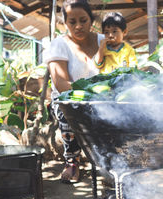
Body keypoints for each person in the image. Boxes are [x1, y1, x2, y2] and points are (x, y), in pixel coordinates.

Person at [44, 0, 104, 183]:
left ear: (91, 19)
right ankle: (72, 161)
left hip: (101, 98)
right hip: (68, 98)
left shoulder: (103, 40)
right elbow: (61, 84)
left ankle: (108, 161)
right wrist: (92, 94)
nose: (78, 26)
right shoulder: (59, 45)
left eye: (83, 20)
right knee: (68, 110)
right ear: (65, 23)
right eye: (72, 22)